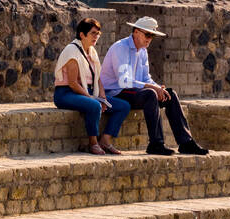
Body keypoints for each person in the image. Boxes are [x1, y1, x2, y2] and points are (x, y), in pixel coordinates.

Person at [98, 15, 210, 157]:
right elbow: (124, 81)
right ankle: (156, 144)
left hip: (134, 92)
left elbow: (145, 78)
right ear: (136, 32)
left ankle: (186, 142)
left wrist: (159, 88)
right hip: (114, 92)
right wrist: (153, 89)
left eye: (152, 36)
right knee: (151, 94)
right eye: (148, 34)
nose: (149, 39)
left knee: (170, 94)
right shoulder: (121, 48)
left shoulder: (143, 51)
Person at [53, 17, 130, 155]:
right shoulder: (72, 51)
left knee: (123, 106)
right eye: (93, 33)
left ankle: (105, 140)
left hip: (87, 91)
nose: (96, 37)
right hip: (66, 93)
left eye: (98, 34)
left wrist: (102, 96)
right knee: (94, 106)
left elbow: (97, 76)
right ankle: (93, 143)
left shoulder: (91, 51)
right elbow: (72, 83)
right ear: (82, 34)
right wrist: (92, 98)